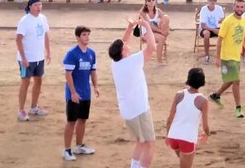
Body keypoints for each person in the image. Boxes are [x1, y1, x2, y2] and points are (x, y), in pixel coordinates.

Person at [109, 16, 156, 168]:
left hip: (127, 111)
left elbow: (122, 43)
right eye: (125, 46)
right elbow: (151, 47)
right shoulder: (132, 61)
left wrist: (130, 28)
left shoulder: (115, 63)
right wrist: (147, 26)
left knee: (140, 142)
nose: (127, 45)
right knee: (149, 144)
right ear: (122, 52)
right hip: (139, 109)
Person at [62, 26, 99, 161]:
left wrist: (95, 87)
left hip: (86, 93)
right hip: (74, 94)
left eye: (88, 34)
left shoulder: (91, 53)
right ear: (77, 37)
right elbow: (68, 75)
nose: (87, 37)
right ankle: (67, 150)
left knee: (82, 119)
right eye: (84, 35)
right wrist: (73, 92)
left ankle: (78, 146)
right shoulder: (72, 54)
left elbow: (93, 72)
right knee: (71, 121)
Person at [208, 0, 245, 118]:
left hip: (236, 56)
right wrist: (218, 58)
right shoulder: (227, 21)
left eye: (242, 7)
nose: (240, 9)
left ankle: (216, 95)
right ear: (234, 7)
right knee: (236, 81)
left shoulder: (244, 21)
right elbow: (219, 40)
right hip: (226, 57)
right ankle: (238, 108)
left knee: (230, 80)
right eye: (238, 6)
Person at [16, 0, 51, 122]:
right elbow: (18, 39)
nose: (39, 7)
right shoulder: (24, 21)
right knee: (25, 82)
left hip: (39, 57)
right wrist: (23, 58)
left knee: (38, 81)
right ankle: (21, 110)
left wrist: (48, 52)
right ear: (30, 7)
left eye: (40, 5)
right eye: (36, 5)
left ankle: (34, 107)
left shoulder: (43, 18)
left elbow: (46, 35)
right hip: (27, 58)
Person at [166, 68, 210, 168]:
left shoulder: (179, 95)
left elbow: (170, 119)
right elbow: (205, 126)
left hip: (173, 136)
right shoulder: (203, 101)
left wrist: (167, 135)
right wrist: (207, 134)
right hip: (187, 138)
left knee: (184, 162)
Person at [139, 0, 170, 65]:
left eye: (153, 0)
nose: (151, 2)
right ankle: (159, 60)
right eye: (149, 0)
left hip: (156, 31)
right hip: (147, 32)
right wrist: (161, 31)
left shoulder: (158, 10)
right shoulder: (143, 12)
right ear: (146, 2)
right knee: (162, 38)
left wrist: (165, 28)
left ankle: (163, 36)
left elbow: (165, 20)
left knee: (166, 17)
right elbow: (149, 26)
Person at [198, 0, 225, 64]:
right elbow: (203, 26)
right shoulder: (204, 9)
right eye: (211, 0)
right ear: (208, 0)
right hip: (206, 29)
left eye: (214, 0)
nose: (213, 2)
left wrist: (219, 22)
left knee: (225, 33)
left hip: (216, 28)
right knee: (206, 34)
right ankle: (207, 55)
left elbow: (223, 20)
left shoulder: (219, 8)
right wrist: (213, 30)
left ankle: (223, 54)